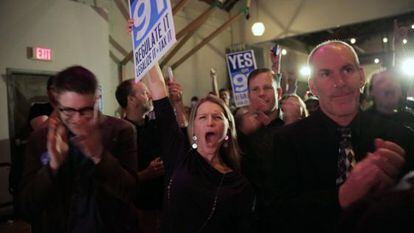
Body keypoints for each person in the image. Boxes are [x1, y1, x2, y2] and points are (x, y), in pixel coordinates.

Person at [270, 40, 414, 233]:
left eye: (347, 70)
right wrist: (342, 196)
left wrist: (399, 189)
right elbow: (277, 215)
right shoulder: (286, 142)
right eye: (326, 74)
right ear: (313, 86)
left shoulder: (399, 137)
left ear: (361, 77)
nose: (339, 82)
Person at [18, 66, 139, 233]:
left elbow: (130, 192)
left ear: (96, 101)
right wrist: (52, 167)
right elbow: (27, 206)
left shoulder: (121, 131)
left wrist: (99, 155)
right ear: (56, 103)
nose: (77, 119)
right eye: (68, 111)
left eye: (86, 110)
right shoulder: (40, 139)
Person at [145, 64, 255, 233]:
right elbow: (159, 92)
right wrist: (142, 38)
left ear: (227, 131)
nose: (210, 122)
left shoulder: (239, 185)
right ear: (193, 128)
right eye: (202, 117)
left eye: (217, 117)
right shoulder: (179, 155)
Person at [236, 67, 284, 233]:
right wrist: (241, 134)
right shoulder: (239, 131)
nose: (261, 93)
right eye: (255, 89)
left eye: (267, 88)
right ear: (249, 95)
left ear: (278, 92)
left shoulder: (293, 128)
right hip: (252, 221)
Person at [115, 79, 164, 233]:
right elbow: (118, 179)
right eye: (143, 92)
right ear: (131, 99)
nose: (149, 95)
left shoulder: (154, 125)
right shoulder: (120, 133)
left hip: (164, 203)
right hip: (140, 208)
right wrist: (146, 174)